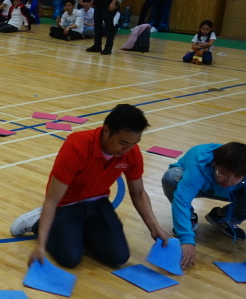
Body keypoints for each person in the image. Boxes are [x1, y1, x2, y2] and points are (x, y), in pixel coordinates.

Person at [10, 104, 171, 269]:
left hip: (97, 202)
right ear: (106, 130)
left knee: (118, 257)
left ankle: (75, 231)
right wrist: (41, 246)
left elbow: (138, 192)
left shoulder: (131, 153)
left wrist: (155, 228)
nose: (127, 149)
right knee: (70, 258)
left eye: (134, 143)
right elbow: (52, 200)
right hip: (66, 203)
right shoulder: (77, 146)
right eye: (123, 142)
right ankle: (36, 222)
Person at [161, 142, 246, 269]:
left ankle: (222, 217)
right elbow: (182, 200)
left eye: (237, 177)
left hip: (230, 191)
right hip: (198, 184)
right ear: (214, 163)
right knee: (171, 177)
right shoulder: (198, 164)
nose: (229, 180)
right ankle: (188, 218)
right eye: (224, 173)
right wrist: (186, 239)